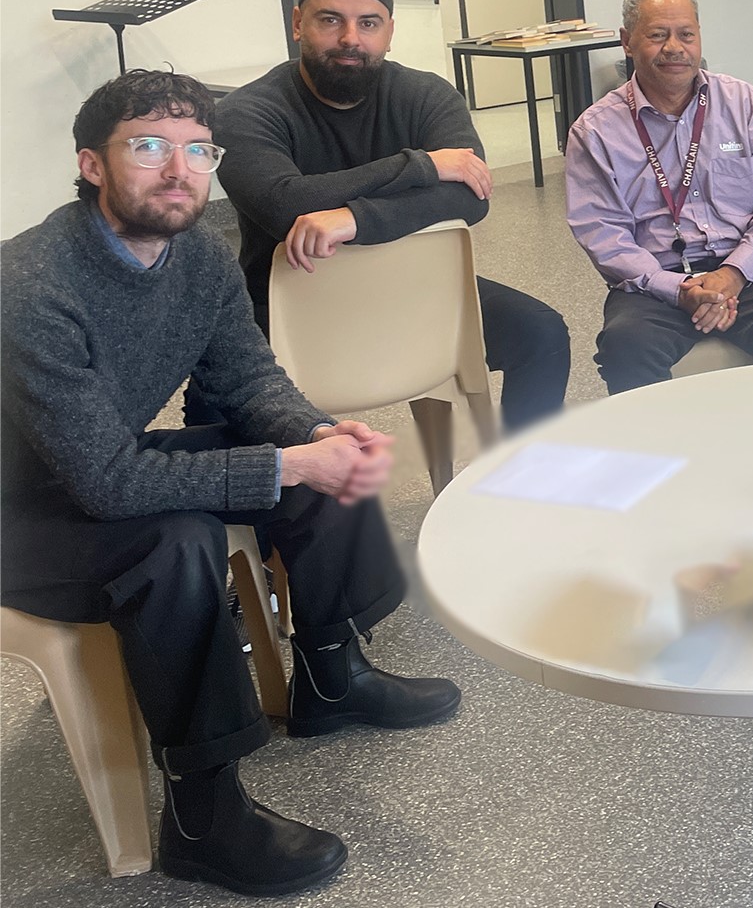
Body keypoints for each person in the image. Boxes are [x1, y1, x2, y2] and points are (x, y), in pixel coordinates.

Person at [0, 70, 462, 896]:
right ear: (92, 165)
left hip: (101, 460)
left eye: (197, 150)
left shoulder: (199, 259)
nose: (178, 170)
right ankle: (202, 814)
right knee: (176, 538)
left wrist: (317, 436)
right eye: (148, 146)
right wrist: (288, 460)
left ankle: (331, 673)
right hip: (18, 511)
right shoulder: (31, 287)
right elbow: (107, 484)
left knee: (312, 456)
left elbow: (250, 382)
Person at [216, 0, 568, 431]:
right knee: (212, 390)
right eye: (329, 20)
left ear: (389, 30)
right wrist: (420, 165)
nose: (350, 39)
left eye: (368, 23)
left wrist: (354, 220)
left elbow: (471, 197)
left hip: (419, 290)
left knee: (543, 334)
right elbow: (284, 204)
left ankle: (528, 480)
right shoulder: (247, 111)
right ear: (298, 23)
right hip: (287, 305)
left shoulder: (426, 95)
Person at [565, 0, 753, 390]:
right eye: (657, 35)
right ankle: (665, 453)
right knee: (625, 348)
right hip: (653, 281)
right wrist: (678, 289)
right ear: (626, 42)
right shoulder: (595, 131)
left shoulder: (744, 103)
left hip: (749, 270)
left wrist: (734, 273)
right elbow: (603, 233)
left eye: (686, 34)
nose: (674, 47)